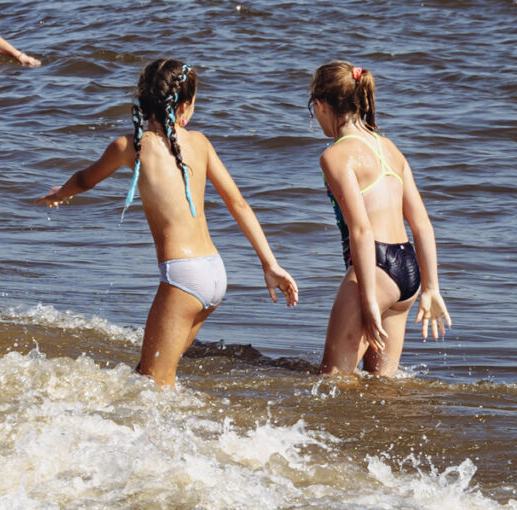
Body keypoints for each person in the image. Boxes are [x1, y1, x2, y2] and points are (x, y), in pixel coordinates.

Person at [35, 58, 297, 388]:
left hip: (183, 277)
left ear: (143, 99)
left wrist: (61, 193)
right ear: (185, 105)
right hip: (215, 274)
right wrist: (269, 264)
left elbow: (85, 180)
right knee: (151, 376)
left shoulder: (130, 146)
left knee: (154, 385)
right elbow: (239, 204)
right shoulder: (200, 142)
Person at [308, 61, 450, 378]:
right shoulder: (390, 149)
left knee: (332, 382)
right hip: (408, 271)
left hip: (375, 269)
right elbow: (422, 225)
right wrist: (430, 288)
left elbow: (360, 230)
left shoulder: (336, 154)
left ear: (320, 105)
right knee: (381, 385)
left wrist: (369, 298)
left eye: (314, 111)